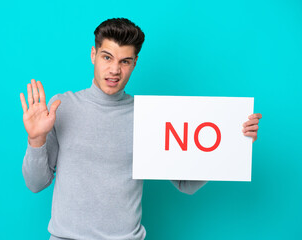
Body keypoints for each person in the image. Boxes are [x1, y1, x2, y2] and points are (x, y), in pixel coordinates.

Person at [20, 18, 262, 240]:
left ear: (135, 63)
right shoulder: (62, 107)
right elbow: (36, 183)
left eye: (124, 61)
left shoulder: (150, 115)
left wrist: (232, 146)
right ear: (93, 54)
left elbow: (186, 184)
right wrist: (36, 138)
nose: (114, 70)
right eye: (107, 57)